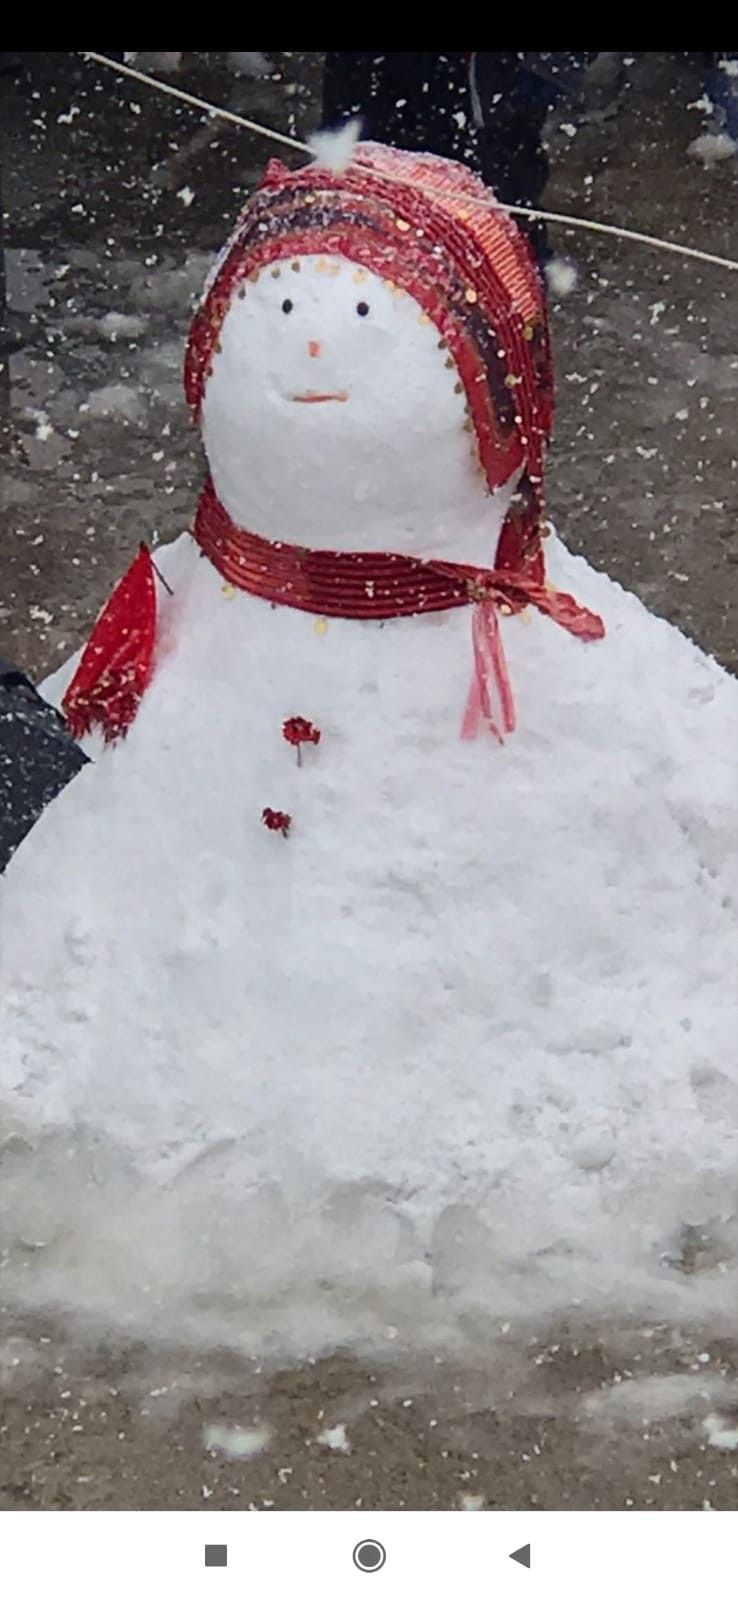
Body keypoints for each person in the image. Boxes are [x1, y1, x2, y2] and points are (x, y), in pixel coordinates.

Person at [322, 52, 597, 267]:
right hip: (377, 91)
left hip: (489, 96)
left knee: (489, 229)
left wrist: (540, 74)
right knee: (351, 197)